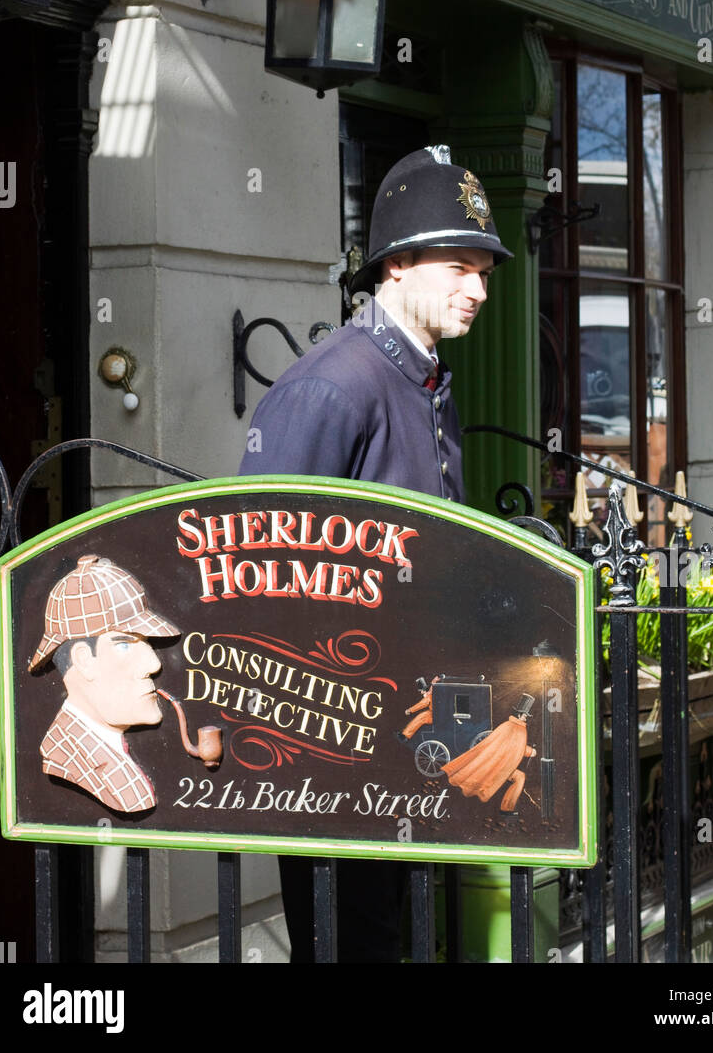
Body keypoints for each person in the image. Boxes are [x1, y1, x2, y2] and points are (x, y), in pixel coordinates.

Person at [239, 143, 512, 961]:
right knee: (350, 944)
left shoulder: (424, 379)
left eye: (487, 273)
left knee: (389, 939)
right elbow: (256, 570)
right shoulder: (334, 385)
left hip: (408, 739)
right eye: (461, 265)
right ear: (396, 265)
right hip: (331, 745)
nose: (479, 288)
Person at [29, 553, 180, 813]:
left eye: (146, 643)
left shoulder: (100, 748)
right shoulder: (66, 756)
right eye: (124, 644)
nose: (154, 664)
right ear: (84, 660)